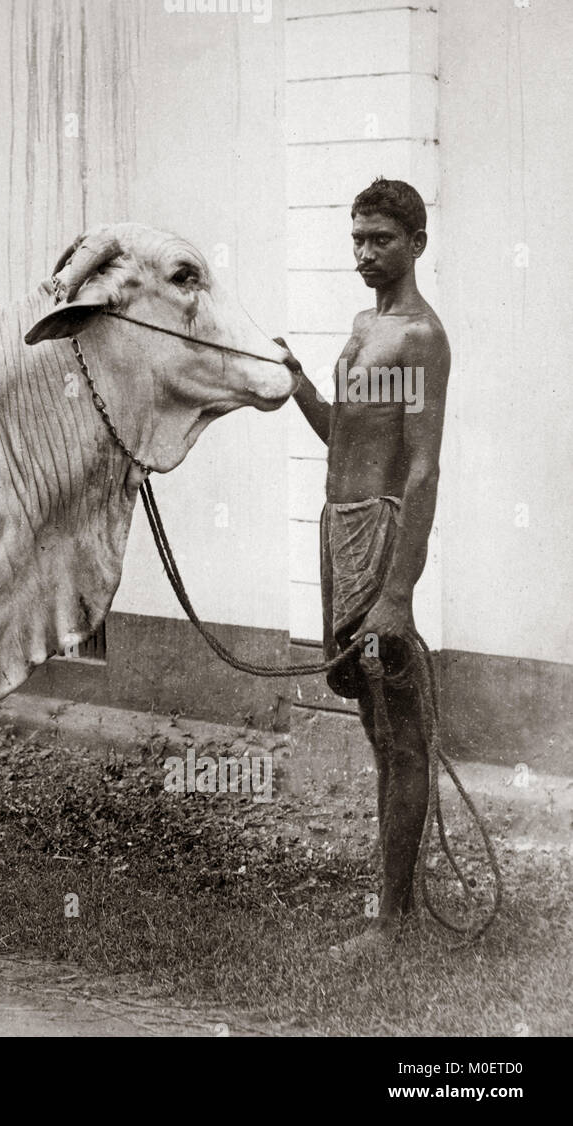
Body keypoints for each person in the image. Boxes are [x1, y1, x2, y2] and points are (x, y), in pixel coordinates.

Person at [276, 178, 451, 956]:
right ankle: (392, 910)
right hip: (338, 532)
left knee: (403, 731)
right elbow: (344, 439)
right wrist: (301, 387)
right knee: (379, 728)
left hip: (381, 537)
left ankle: (392, 924)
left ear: (415, 243)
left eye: (379, 238)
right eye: (356, 238)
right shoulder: (360, 324)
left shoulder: (420, 336)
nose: (364, 253)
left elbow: (420, 472)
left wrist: (398, 593)